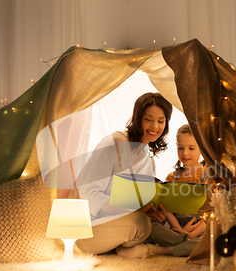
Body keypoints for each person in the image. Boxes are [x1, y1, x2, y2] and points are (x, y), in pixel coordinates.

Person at [65, 92, 172, 259]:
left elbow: (136, 204)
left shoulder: (148, 161)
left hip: (119, 227)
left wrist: (153, 213)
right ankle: (149, 248)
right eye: (148, 119)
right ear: (138, 119)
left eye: (161, 121)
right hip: (86, 228)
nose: (155, 127)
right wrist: (132, 213)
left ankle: (136, 247)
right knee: (141, 224)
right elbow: (88, 193)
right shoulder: (114, 144)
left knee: (159, 228)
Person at [145, 124, 208, 257]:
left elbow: (211, 212)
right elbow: (167, 209)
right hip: (176, 227)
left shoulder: (208, 175)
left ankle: (166, 250)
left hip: (201, 225)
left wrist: (191, 234)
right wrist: (180, 230)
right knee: (149, 227)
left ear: (201, 149)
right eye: (180, 148)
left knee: (212, 238)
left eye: (191, 148)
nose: (185, 153)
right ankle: (183, 242)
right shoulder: (172, 177)